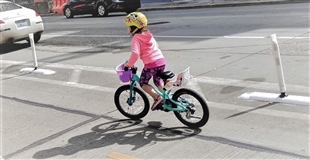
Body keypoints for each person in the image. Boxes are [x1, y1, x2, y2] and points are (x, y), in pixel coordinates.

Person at [123, 12, 166, 111]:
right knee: (157, 79)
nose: (127, 28)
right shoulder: (148, 34)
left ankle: (157, 97)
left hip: (151, 65)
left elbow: (135, 53)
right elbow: (156, 46)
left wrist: (129, 64)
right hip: (161, 60)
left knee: (143, 82)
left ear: (133, 27)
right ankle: (165, 96)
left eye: (128, 26)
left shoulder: (136, 38)